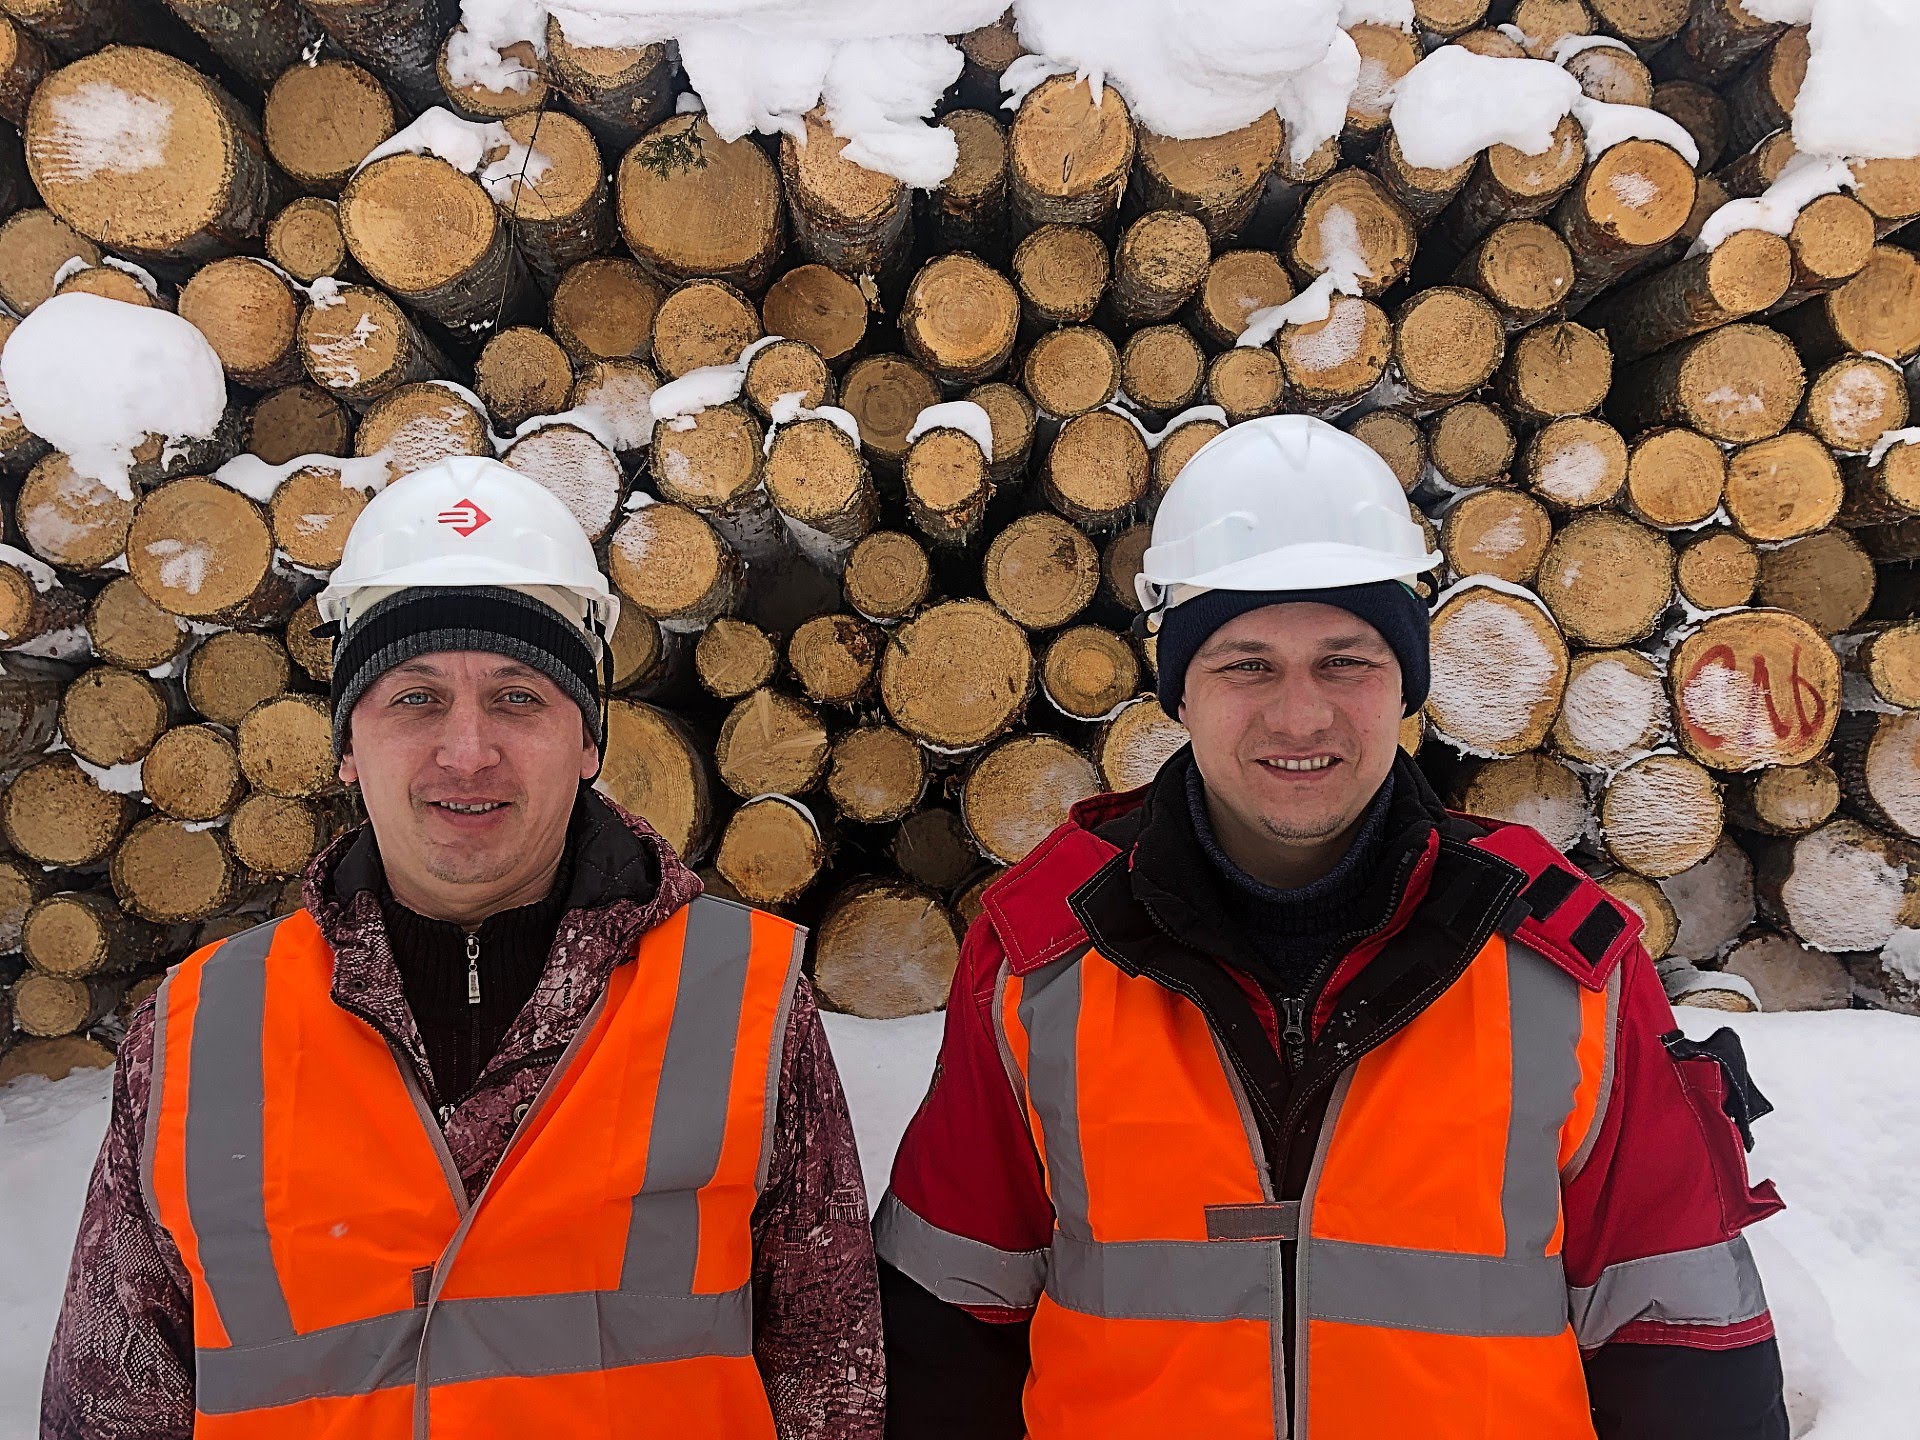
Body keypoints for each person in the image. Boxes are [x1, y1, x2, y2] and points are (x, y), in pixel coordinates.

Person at [876, 415, 1788, 1439]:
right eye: (1247, 664)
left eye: (1345, 660)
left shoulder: (1565, 967)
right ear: (1180, 689)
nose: (1300, 717)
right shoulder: (1040, 958)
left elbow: (1682, 1343)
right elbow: (946, 1335)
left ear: (1406, 680)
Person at [44, 457, 883, 1438]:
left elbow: (832, 1385)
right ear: (348, 744)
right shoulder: (193, 1036)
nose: (468, 750)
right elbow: (110, 1408)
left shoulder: (745, 1003)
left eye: (519, 697)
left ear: (589, 739)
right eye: (416, 698)